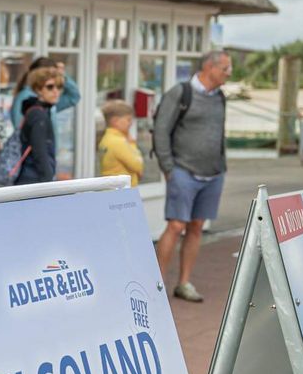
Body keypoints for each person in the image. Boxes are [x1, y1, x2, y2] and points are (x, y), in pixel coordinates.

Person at [153, 50, 232, 303]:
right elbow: (161, 131)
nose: (229, 74)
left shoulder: (220, 97)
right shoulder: (181, 93)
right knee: (176, 226)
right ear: (209, 67)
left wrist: (221, 163)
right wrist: (169, 169)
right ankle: (156, 284)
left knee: (197, 227)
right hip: (183, 171)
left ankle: (184, 283)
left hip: (213, 173)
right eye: (225, 69)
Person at [6, 65, 62, 185]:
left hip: (32, 178)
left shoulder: (38, 111)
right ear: (38, 89)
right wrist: (49, 180)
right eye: (50, 87)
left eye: (59, 87)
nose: (56, 91)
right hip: (34, 180)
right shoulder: (38, 115)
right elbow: (39, 151)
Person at [97, 99, 143, 185]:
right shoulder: (118, 142)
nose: (131, 123)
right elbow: (137, 165)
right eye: (128, 120)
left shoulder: (106, 139)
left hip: (112, 189)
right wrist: (132, 143)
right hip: (123, 191)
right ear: (116, 121)